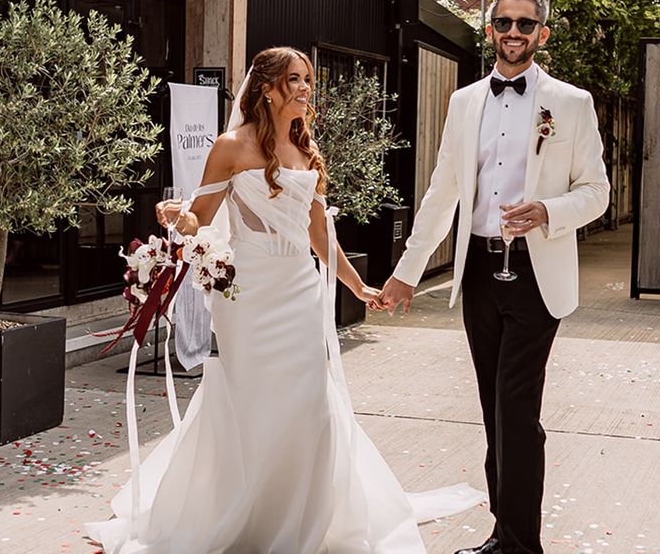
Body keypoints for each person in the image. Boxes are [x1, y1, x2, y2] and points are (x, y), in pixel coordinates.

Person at [87, 46, 482, 554]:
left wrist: (356, 285)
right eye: (294, 79)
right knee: (253, 403)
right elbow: (201, 216)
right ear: (267, 88)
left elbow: (318, 232)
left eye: (308, 80)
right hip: (247, 297)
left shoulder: (307, 148)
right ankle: (240, 512)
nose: (305, 89)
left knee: (308, 405)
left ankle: (302, 521)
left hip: (298, 294)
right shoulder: (231, 146)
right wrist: (176, 217)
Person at [380, 0, 610, 554]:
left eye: (525, 24)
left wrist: (547, 211)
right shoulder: (463, 104)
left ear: (542, 33)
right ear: (490, 31)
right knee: (493, 409)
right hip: (480, 272)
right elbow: (441, 192)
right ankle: (504, 536)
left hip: (537, 274)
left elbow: (597, 192)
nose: (513, 33)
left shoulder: (572, 104)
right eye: (504, 23)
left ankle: (519, 546)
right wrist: (408, 270)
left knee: (515, 408)